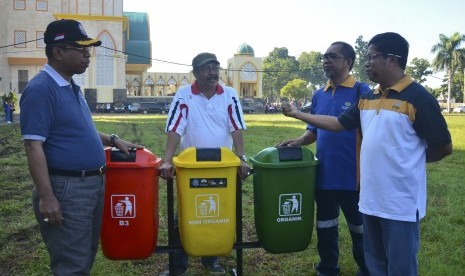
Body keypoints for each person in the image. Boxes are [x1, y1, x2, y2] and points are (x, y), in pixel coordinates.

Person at [281, 32, 452, 276]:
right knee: (374, 266)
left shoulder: (418, 98)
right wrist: (299, 115)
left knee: (400, 268)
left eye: (372, 57)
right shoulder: (367, 97)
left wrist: (409, 161)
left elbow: (443, 147)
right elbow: (338, 123)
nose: (367, 63)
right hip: (371, 199)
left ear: (392, 59)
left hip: (399, 204)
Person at [19, 19, 140, 276]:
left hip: (89, 185)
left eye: (89, 48)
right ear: (58, 52)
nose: (88, 54)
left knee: (83, 259)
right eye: (81, 48)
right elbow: (33, 146)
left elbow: (78, 130)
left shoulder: (71, 85)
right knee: (71, 267)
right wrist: (47, 196)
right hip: (66, 189)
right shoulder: (41, 89)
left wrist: (112, 139)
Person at [278, 41, 370, 276]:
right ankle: (328, 268)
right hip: (324, 175)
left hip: (354, 177)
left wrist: (297, 113)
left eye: (332, 56)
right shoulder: (320, 94)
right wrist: (300, 140)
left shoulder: (362, 91)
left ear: (348, 62)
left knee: (360, 229)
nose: (326, 60)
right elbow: (314, 130)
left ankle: (368, 268)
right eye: (324, 56)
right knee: (326, 226)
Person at [159, 52, 251, 276]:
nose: (212, 73)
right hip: (192, 168)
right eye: (206, 69)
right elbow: (175, 127)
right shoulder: (185, 95)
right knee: (185, 215)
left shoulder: (228, 94)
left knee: (218, 211)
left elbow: (236, 126)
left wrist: (241, 158)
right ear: (196, 73)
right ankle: (177, 267)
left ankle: (211, 258)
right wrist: (168, 160)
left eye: (215, 68)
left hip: (221, 167)